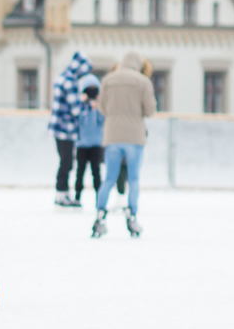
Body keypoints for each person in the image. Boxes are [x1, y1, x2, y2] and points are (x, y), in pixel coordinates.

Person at [92, 52, 156, 239]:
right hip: (134, 137)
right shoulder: (143, 82)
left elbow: (102, 109)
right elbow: (150, 110)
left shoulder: (108, 80)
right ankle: (132, 215)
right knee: (133, 179)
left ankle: (100, 215)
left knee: (109, 178)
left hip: (112, 135)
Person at [48, 51, 94, 207]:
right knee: (66, 162)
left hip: (59, 127)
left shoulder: (62, 77)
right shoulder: (70, 81)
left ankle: (62, 193)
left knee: (65, 161)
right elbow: (75, 110)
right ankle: (61, 194)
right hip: (65, 129)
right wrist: (88, 104)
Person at [72, 74, 105, 205]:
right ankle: (77, 196)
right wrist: (83, 103)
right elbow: (75, 119)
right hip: (81, 144)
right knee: (79, 172)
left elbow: (103, 121)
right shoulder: (80, 107)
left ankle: (99, 198)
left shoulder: (99, 107)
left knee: (96, 172)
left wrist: (98, 106)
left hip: (96, 144)